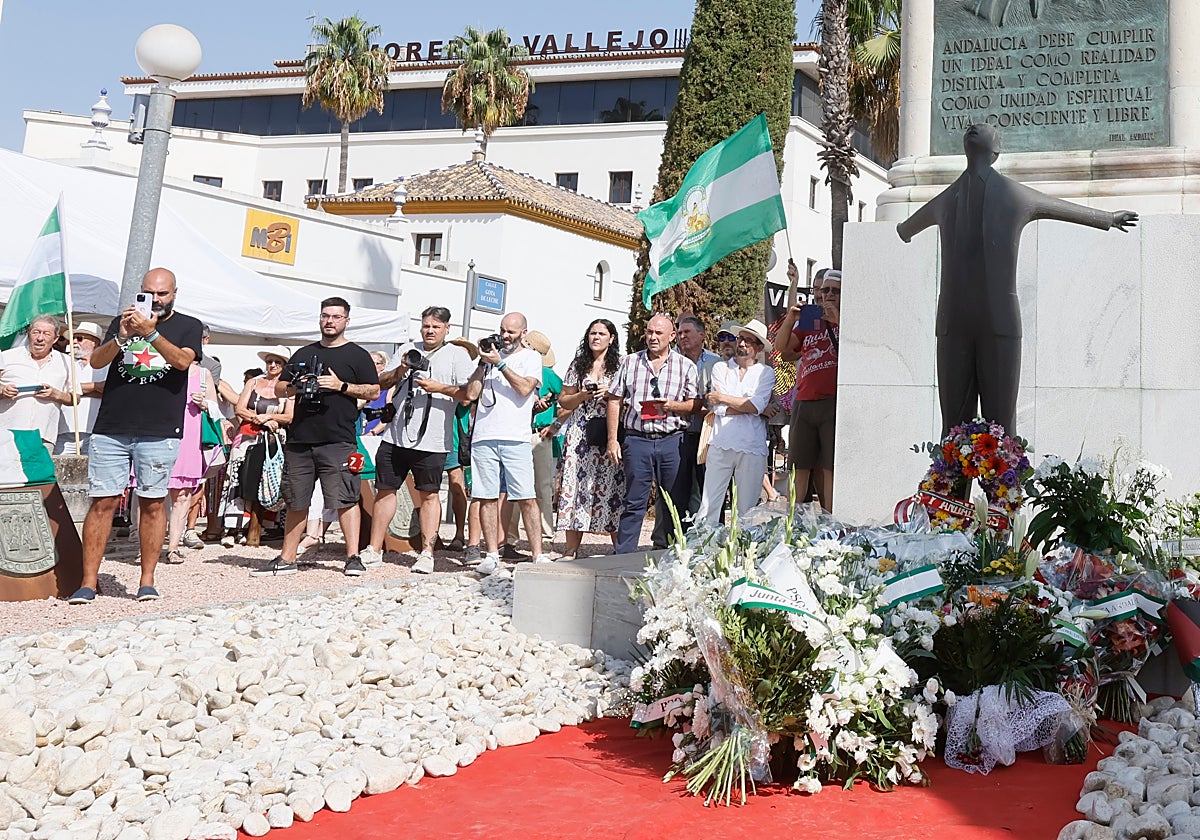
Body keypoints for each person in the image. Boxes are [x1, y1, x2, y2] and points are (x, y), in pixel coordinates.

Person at [897, 122, 1137, 438]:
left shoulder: (1008, 196)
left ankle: (997, 471)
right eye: (973, 128)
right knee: (960, 426)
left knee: (994, 424)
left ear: (993, 150)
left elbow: (1058, 208)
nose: (973, 128)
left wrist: (1108, 219)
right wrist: (905, 230)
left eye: (982, 129)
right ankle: (954, 472)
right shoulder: (951, 199)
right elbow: (906, 229)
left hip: (989, 321)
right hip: (961, 323)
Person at [71, 267, 205, 604]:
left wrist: (150, 334)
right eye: (149, 292)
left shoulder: (188, 325)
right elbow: (96, 362)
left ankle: (147, 580)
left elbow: (182, 362)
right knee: (102, 502)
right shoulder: (123, 321)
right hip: (112, 426)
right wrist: (121, 336)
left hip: (159, 429)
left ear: (174, 294)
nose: (155, 299)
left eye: (162, 293)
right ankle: (88, 582)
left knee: (153, 503)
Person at [251, 298, 379, 577]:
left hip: (338, 440)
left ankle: (353, 557)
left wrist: (341, 386)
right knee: (296, 501)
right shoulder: (303, 353)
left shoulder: (358, 355)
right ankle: (287, 558)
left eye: (336, 316)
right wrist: (296, 386)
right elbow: (280, 388)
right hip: (300, 440)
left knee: (345, 499)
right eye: (325, 316)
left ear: (346, 321)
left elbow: (373, 391)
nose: (329, 321)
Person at [365, 306, 474, 575]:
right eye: (426, 325)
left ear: (447, 329)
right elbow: (381, 383)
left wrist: (439, 387)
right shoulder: (407, 349)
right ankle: (374, 549)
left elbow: (469, 394)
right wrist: (402, 368)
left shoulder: (456, 355)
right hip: (395, 436)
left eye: (436, 326)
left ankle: (427, 552)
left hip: (433, 440)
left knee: (429, 494)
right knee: (385, 490)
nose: (430, 331)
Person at [606, 314, 700, 555]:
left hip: (673, 440)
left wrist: (671, 406)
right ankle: (623, 556)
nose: (653, 337)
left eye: (659, 333)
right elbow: (614, 400)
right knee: (633, 501)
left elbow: (695, 404)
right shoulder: (630, 362)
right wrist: (613, 440)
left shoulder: (686, 366)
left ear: (672, 336)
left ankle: (673, 555)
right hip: (637, 439)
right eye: (649, 332)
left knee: (675, 502)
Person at [465, 312, 547, 574]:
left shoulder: (531, 358)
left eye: (511, 331)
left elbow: (524, 389)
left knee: (526, 497)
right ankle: (491, 554)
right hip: (484, 436)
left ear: (523, 333)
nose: (505, 336)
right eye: (502, 330)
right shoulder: (489, 359)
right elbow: (471, 394)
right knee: (486, 496)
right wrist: (482, 362)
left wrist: (500, 364)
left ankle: (537, 555)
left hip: (515, 438)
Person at [555, 318, 624, 559]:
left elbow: (630, 398)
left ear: (611, 338)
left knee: (613, 487)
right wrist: (582, 396)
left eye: (601, 334)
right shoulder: (578, 365)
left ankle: (619, 549)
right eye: (592, 333)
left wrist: (610, 394)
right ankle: (571, 549)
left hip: (609, 431)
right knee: (574, 486)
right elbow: (564, 400)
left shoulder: (621, 365)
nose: (595, 337)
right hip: (580, 433)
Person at [775, 265, 840, 511]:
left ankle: (831, 518)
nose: (828, 295)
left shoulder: (851, 317)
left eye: (835, 291)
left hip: (833, 400)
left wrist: (838, 319)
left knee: (829, 467)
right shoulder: (812, 317)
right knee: (798, 465)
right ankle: (793, 520)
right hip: (805, 399)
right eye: (824, 290)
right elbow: (783, 349)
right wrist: (790, 318)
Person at [699, 320, 777, 526]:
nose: (741, 343)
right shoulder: (720, 368)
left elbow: (755, 405)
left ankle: (743, 546)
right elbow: (719, 409)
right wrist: (749, 406)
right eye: (740, 338)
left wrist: (724, 398)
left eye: (748, 341)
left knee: (747, 510)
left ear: (758, 347)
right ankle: (703, 543)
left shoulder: (766, 372)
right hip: (721, 442)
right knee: (708, 505)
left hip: (752, 446)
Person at [649, 314, 715, 547]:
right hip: (676, 434)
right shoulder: (668, 361)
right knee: (669, 488)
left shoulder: (715, 363)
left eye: (687, 332)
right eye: (680, 332)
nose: (682, 336)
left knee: (701, 490)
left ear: (702, 335)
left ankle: (696, 540)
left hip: (705, 434)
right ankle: (662, 540)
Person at [221, 347, 292, 546]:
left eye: (277, 362)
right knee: (238, 478)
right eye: (269, 361)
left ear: (284, 365)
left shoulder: (288, 388)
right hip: (247, 436)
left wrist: (269, 417)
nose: (273, 365)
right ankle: (234, 527)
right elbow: (240, 408)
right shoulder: (253, 383)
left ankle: (263, 527)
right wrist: (259, 419)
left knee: (269, 480)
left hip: (273, 439)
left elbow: (289, 416)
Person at [503, 330, 562, 559]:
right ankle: (527, 538)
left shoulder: (547, 374)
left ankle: (533, 537)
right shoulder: (521, 368)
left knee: (535, 488)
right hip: (523, 433)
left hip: (537, 434)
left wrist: (555, 423)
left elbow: (567, 399)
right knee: (530, 488)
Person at [163, 361, 217, 563]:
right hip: (160, 435)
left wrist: (204, 404)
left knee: (183, 495)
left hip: (190, 438)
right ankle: (147, 544)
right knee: (153, 495)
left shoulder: (203, 374)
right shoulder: (160, 367)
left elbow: (216, 409)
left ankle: (173, 547)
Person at [0, 314, 74, 455]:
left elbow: (75, 398)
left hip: (43, 436)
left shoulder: (66, 362)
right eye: (36, 332)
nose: (40, 338)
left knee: (39, 470)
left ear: (55, 338)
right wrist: (3, 390)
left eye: (46, 334)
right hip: (6, 434)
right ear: (29, 334)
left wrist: (56, 394)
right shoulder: (6, 357)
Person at [55, 321, 106, 455]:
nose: (74, 342)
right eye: (72, 338)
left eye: (79, 338)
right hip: (65, 429)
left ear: (95, 342)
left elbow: (108, 391)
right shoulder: (64, 363)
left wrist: (74, 392)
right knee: (60, 467)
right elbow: (60, 388)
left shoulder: (107, 366)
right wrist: (95, 386)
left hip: (96, 430)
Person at [361, 351, 394, 436]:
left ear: (383, 366)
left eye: (374, 363)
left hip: (377, 436)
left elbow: (390, 413)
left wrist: (372, 433)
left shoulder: (389, 387)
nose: (369, 366)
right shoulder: (359, 384)